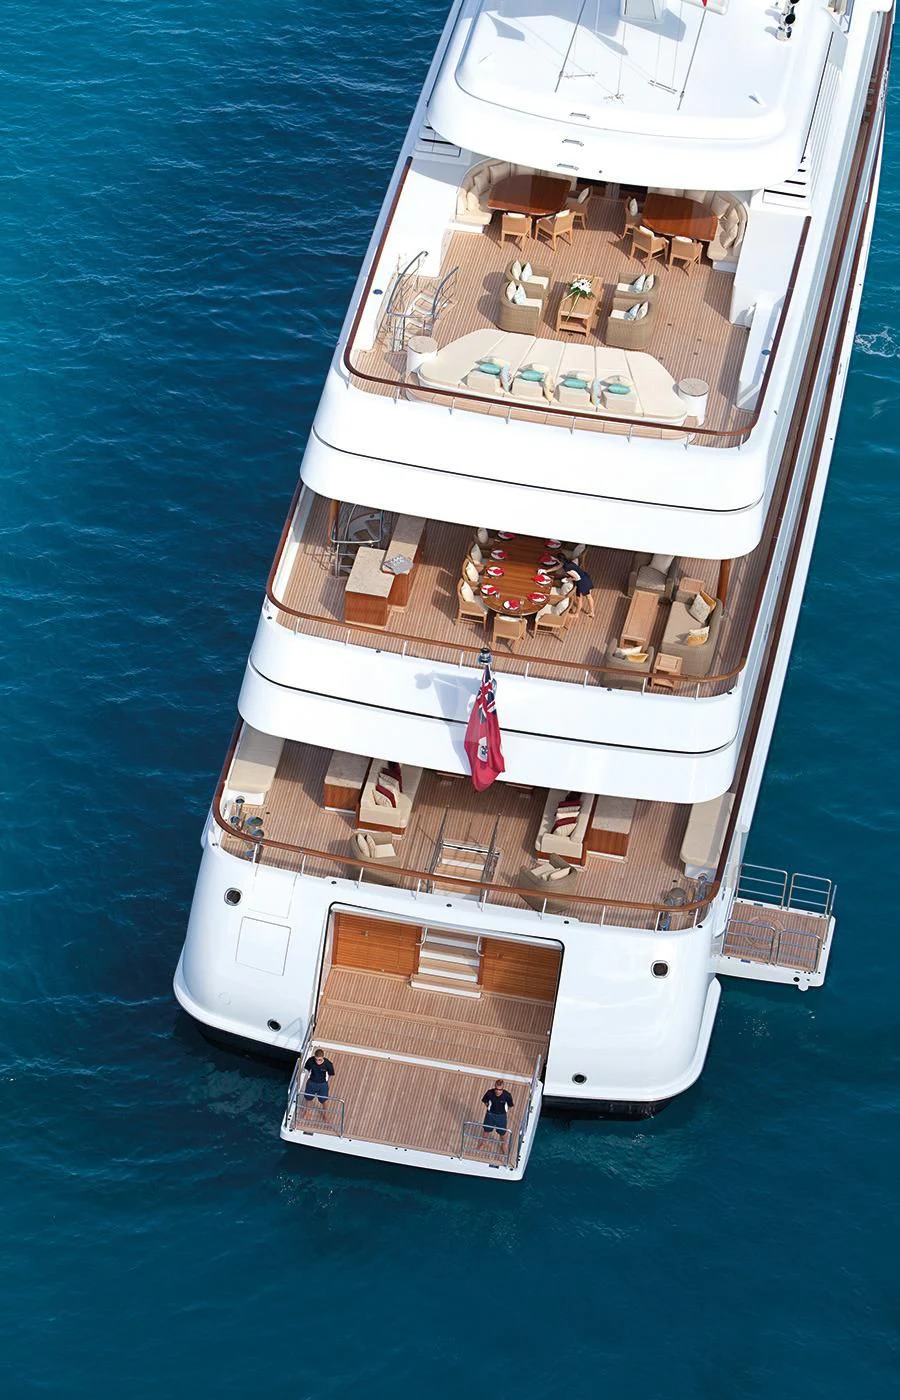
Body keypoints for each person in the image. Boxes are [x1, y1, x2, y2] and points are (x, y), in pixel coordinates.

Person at [481, 1079, 514, 1147]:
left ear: (503, 1089)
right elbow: (485, 1101)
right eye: (496, 1089)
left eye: (500, 1089)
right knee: (486, 1130)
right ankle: (483, 1143)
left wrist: (505, 1110)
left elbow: (510, 1105)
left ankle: (504, 1146)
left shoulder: (507, 1095)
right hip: (490, 1115)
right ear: (494, 1087)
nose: (498, 1091)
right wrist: (489, 1108)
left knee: (502, 1133)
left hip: (501, 1116)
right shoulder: (489, 1093)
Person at [302, 1047, 335, 1113]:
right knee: (308, 1099)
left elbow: (331, 1074)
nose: (317, 1062)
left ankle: (325, 1115)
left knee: (324, 1101)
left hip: (323, 1084)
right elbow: (307, 1070)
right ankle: (306, 1112)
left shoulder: (328, 1064)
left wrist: (328, 1084)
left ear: (323, 1057)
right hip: (311, 1082)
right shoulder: (310, 1061)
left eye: (319, 1060)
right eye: (316, 1059)